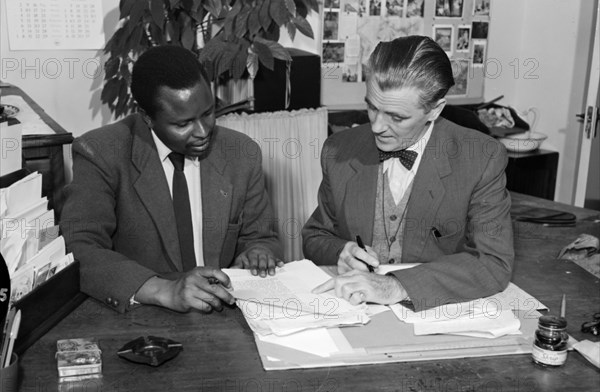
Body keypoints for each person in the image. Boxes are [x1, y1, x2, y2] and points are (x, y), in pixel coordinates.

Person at [60, 45, 283, 314]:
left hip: (224, 313)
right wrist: (162, 290)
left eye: (208, 113)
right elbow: (79, 247)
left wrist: (256, 253)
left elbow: (261, 237)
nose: (203, 131)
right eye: (182, 124)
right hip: (144, 316)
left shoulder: (241, 153)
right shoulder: (103, 152)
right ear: (147, 117)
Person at [303, 36, 514, 311]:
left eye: (396, 117)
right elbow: (315, 236)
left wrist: (396, 286)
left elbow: (493, 263)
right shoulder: (339, 150)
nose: (377, 126)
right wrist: (340, 252)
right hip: (353, 311)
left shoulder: (481, 158)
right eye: (372, 107)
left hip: (436, 314)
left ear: (434, 110)